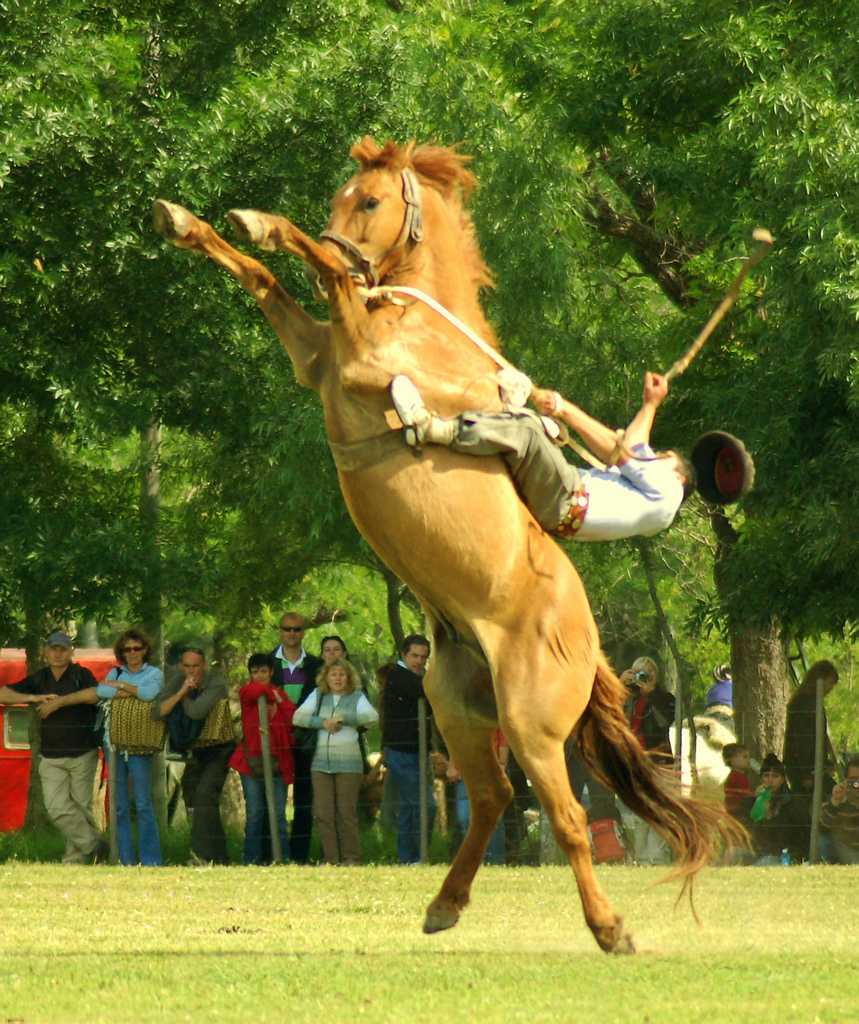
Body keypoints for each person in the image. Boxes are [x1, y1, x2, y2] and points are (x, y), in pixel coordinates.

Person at [390, 371, 694, 541]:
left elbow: (620, 450)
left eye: (664, 456)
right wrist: (650, 404)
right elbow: (635, 444)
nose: (654, 454)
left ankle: (429, 427)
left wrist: (563, 408)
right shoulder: (657, 506)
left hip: (568, 498)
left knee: (529, 431)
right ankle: (507, 414)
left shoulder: (670, 491)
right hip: (563, 510)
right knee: (542, 430)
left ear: (678, 475)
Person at [0, 631, 107, 864]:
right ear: (47, 652)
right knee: (57, 809)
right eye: (54, 649)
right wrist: (34, 698)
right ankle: (95, 845)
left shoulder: (81, 675)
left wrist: (60, 701)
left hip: (83, 752)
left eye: (63, 649)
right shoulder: (39, 679)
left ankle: (74, 861)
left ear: (71, 653)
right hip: (50, 756)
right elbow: (3, 693)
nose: (58, 653)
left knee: (81, 808)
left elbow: (95, 694)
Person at [293, 657, 379, 865]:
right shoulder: (318, 695)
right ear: (326, 677)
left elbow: (373, 717)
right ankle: (330, 858)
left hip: (349, 763)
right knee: (323, 812)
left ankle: (352, 857)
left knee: (346, 812)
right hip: (321, 763)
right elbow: (298, 717)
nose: (338, 678)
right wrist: (322, 723)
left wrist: (345, 719)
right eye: (333, 674)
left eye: (342, 674)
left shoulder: (357, 697)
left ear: (348, 677)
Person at [154, 647, 234, 865]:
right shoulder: (177, 681)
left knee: (204, 795)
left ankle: (201, 855)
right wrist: (181, 693)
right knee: (194, 796)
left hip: (219, 748)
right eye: (187, 666)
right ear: (181, 666)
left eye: (196, 665)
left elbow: (197, 711)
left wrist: (181, 698)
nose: (191, 670)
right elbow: (157, 711)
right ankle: (220, 857)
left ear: (205, 666)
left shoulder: (216, 683)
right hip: (195, 749)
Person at [98, 628, 164, 867]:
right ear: (122, 652)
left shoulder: (154, 673)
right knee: (119, 804)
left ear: (145, 649)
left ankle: (151, 861)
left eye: (137, 648)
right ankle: (124, 858)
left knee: (144, 803)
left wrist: (121, 687)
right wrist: (130, 690)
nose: (133, 653)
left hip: (140, 743)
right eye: (128, 649)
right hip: (113, 742)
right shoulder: (115, 671)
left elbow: (149, 694)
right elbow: (100, 690)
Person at [229, 653, 296, 865]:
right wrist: (271, 695)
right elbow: (254, 690)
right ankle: (250, 861)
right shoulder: (249, 693)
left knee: (278, 816)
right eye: (255, 672)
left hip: (278, 761)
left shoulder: (281, 696)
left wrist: (276, 698)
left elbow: (293, 718)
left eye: (264, 671)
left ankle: (281, 858)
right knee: (255, 814)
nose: (259, 676)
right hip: (251, 762)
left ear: (271, 672)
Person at [377, 634, 436, 864]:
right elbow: (426, 691)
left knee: (410, 808)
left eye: (423, 657)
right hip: (400, 754)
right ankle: (418, 855)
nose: (419, 661)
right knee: (425, 805)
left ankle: (408, 859)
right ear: (403, 654)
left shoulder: (417, 678)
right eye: (414, 655)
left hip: (418, 753)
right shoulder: (397, 676)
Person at [270, 612, 322, 863]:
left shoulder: (316, 665)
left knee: (304, 803)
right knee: (274, 801)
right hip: (276, 740)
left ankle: (299, 857)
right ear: (280, 631)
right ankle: (271, 855)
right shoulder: (266, 664)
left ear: (304, 632)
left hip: (306, 742)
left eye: (297, 629)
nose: (292, 633)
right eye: (287, 629)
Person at [620, 656, 675, 865]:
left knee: (659, 810)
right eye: (641, 673)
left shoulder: (665, 698)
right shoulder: (629, 698)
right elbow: (610, 713)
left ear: (656, 676)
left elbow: (665, 721)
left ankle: (657, 857)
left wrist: (651, 695)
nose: (646, 677)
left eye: (650, 672)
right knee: (639, 813)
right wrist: (619, 684)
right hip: (635, 762)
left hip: (659, 761)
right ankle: (640, 858)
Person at [447, 727, 508, 866]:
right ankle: (476, 861)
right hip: (466, 768)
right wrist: (452, 765)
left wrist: (502, 764)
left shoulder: (492, 708)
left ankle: (496, 862)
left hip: (492, 767)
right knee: (463, 817)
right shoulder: (461, 711)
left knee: (494, 818)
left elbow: (503, 737)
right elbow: (454, 737)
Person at [783, 660, 839, 796]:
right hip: (803, 767)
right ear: (819, 681)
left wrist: (826, 763)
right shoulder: (805, 704)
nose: (831, 688)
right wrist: (806, 773)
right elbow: (802, 740)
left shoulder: (811, 701)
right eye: (830, 683)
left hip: (809, 766)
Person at [744, 752, 810, 864]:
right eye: (766, 775)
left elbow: (793, 836)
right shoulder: (754, 799)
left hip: (784, 854)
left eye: (775, 776)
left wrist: (771, 818)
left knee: (765, 862)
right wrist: (754, 802)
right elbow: (743, 825)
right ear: (761, 779)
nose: (770, 780)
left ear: (782, 779)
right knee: (734, 853)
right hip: (758, 850)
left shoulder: (794, 802)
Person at [818, 758, 859, 865]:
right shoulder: (839, 800)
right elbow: (822, 829)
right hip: (845, 854)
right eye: (854, 781)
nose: (857, 785)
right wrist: (835, 801)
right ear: (845, 781)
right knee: (823, 839)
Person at [722, 742, 761, 817]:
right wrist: (757, 793)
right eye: (745, 757)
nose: (749, 760)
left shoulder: (733, 776)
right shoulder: (739, 777)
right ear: (733, 761)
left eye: (749, 757)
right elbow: (747, 796)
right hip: (739, 814)